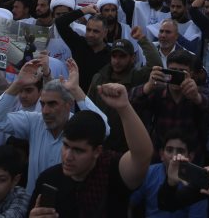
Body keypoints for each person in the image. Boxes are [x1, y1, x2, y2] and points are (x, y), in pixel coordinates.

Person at [0, 57, 110, 193]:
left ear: (69, 104)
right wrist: (17, 84)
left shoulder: (80, 126)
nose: (45, 111)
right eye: (43, 104)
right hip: (33, 202)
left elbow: (104, 129)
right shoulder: (34, 121)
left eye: (52, 104)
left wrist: (75, 89)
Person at [29, 83, 154, 218]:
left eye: (78, 150)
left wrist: (124, 107)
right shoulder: (49, 179)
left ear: (97, 151)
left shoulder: (112, 172)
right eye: (66, 146)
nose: (68, 156)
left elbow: (142, 155)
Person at [130, 49, 209, 162]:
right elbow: (129, 104)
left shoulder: (198, 92)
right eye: (173, 70)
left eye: (182, 72)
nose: (176, 75)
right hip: (160, 156)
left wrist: (197, 98)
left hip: (191, 157)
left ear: (191, 74)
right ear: (166, 70)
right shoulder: (157, 91)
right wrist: (147, 87)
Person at [129, 130, 208, 218]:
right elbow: (130, 202)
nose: (174, 156)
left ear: (190, 157)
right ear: (162, 154)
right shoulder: (149, 172)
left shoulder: (197, 184)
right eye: (169, 150)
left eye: (180, 151)